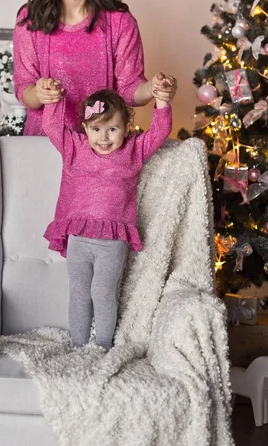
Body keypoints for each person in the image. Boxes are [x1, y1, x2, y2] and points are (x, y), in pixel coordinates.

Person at [13, 0, 177, 135]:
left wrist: (154, 89)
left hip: (101, 149)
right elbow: (23, 88)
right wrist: (39, 93)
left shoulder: (120, 21)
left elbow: (128, 89)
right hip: (45, 146)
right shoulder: (30, 18)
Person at [42, 83, 172, 350]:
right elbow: (52, 128)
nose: (104, 138)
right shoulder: (74, 147)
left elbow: (159, 132)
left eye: (112, 129)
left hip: (112, 240)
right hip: (79, 236)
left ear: (125, 129)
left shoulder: (133, 150)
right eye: (96, 129)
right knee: (79, 292)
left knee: (102, 292)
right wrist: (54, 101)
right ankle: (78, 345)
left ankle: (103, 345)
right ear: (86, 128)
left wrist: (161, 101)